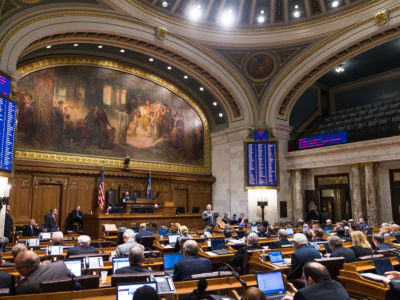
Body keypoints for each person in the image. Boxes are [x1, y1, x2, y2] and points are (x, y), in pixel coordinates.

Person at [282, 262, 350, 300]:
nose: (303, 280)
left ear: (310, 280)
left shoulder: (303, 294)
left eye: (304, 278)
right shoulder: (338, 285)